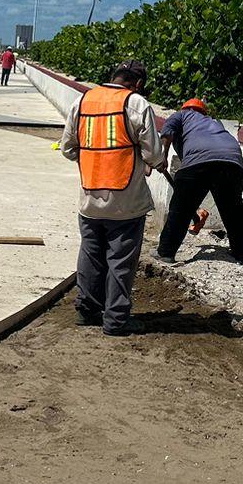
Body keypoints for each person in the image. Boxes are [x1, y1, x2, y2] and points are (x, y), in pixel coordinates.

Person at [57, 60, 164, 336]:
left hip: (89, 198)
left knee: (90, 254)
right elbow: (153, 154)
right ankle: (116, 320)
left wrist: (94, 159)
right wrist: (150, 161)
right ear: (138, 84)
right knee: (120, 260)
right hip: (125, 202)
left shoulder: (83, 102)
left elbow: (68, 148)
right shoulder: (136, 104)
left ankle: (87, 311)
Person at [156, 98, 243, 263]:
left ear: (186, 108)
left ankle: (165, 252)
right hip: (232, 161)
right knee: (233, 211)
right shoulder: (214, 123)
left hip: (199, 160)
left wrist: (163, 156)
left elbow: (167, 131)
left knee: (180, 209)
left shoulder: (181, 115)